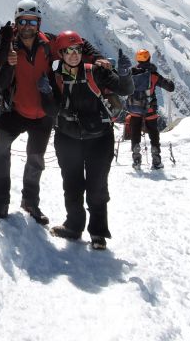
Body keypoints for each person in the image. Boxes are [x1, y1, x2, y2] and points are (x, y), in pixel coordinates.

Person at [0, 0, 110, 223]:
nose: (27, 26)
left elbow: (78, 43)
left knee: (35, 160)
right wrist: (7, 62)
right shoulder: (8, 47)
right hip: (12, 111)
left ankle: (30, 201)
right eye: (23, 21)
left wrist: (97, 57)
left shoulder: (49, 44)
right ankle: (1, 200)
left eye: (32, 22)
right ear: (16, 23)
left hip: (43, 115)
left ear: (39, 24)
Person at [47, 31, 134, 250]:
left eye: (77, 50)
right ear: (61, 54)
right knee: (72, 185)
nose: (74, 55)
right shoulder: (55, 76)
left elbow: (124, 89)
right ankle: (74, 226)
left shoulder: (95, 71)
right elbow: (50, 104)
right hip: (68, 139)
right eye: (69, 51)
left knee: (97, 187)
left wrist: (125, 75)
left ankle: (97, 232)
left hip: (99, 139)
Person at [127, 49, 176, 170]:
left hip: (134, 109)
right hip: (149, 110)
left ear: (137, 59)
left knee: (135, 134)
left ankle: (136, 158)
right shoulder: (153, 75)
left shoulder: (131, 73)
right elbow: (170, 87)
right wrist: (170, 81)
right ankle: (156, 159)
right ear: (149, 58)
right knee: (154, 134)